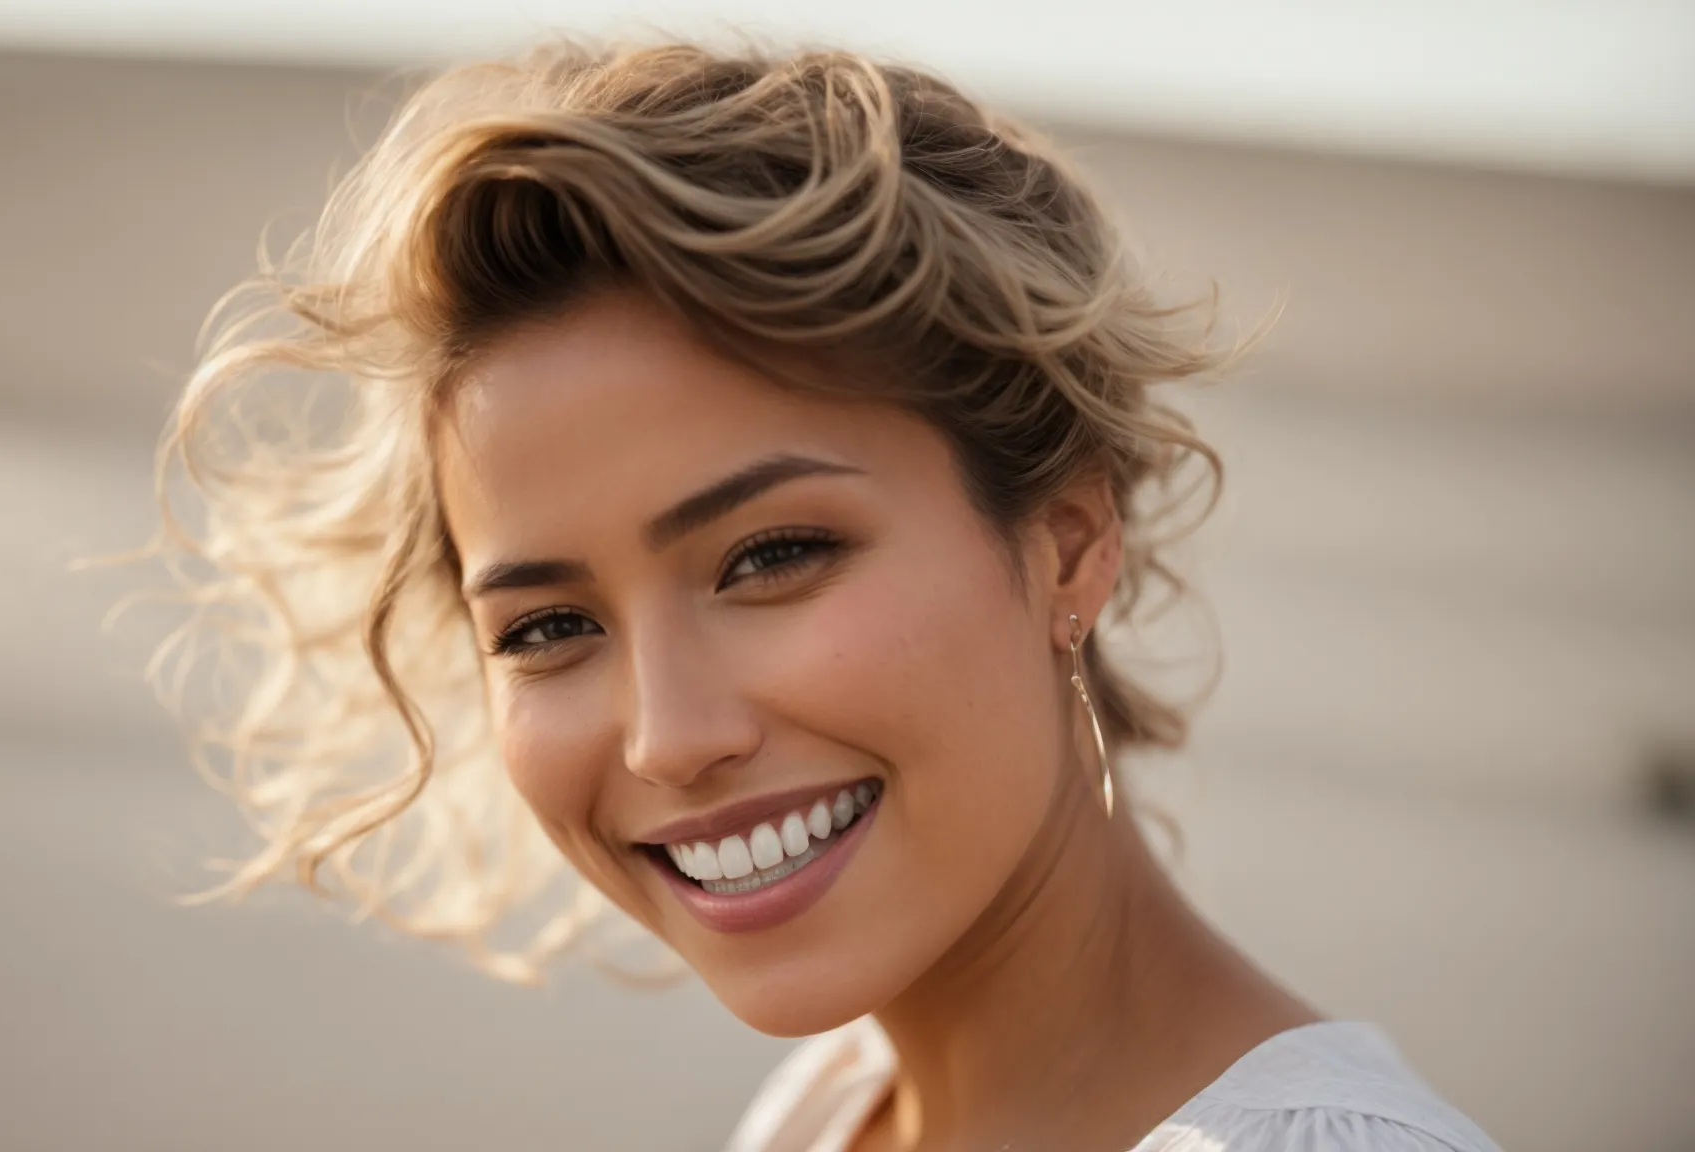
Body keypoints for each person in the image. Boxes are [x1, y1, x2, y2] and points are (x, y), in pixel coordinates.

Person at [149, 39, 1504, 1152]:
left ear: (1071, 540)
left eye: (772, 556)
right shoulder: (840, 1113)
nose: (669, 738)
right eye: (550, 627)